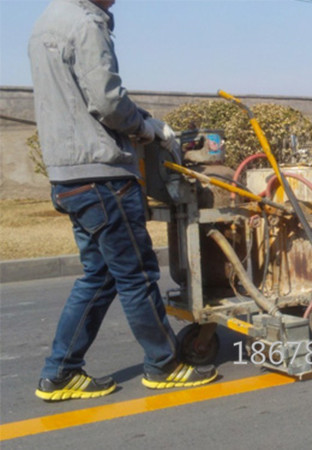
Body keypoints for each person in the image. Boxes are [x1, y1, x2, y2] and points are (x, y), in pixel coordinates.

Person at [28, 0, 216, 401]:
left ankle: (60, 372)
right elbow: (108, 102)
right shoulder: (86, 24)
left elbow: (83, 98)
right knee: (137, 274)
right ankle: (164, 365)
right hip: (103, 176)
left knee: (100, 275)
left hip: (69, 176)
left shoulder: (47, 22)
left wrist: (142, 116)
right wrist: (147, 127)